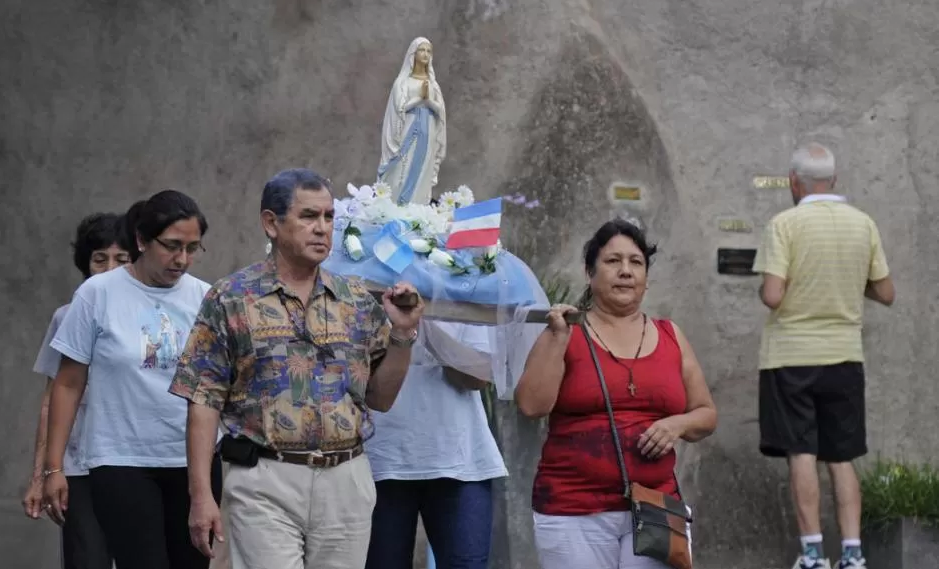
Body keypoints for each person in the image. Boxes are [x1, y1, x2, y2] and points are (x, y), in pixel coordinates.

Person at [168, 168, 425, 569]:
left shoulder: (355, 301)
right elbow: (203, 400)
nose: (322, 228)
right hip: (264, 478)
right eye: (308, 216)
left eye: (328, 217)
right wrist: (201, 496)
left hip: (346, 477)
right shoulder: (231, 298)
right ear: (271, 223)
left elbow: (381, 398)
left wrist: (404, 335)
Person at [515, 219, 717, 569]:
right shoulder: (565, 330)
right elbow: (531, 405)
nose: (625, 271)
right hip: (572, 508)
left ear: (646, 278)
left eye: (635, 262)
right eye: (613, 261)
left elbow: (706, 413)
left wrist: (677, 425)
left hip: (654, 507)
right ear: (589, 272)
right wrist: (559, 339)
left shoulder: (671, 335)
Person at [43, 190, 221, 569]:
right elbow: (68, 383)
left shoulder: (206, 297)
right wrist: (53, 466)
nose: (182, 259)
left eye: (192, 248)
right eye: (172, 246)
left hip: (193, 462)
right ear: (141, 240)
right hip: (120, 459)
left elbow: (216, 385)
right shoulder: (96, 294)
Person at [753, 143, 895, 569]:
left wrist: (779, 283)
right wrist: (850, 285)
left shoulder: (784, 224)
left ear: (795, 182)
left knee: (802, 453)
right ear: (834, 180)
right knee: (841, 456)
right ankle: (853, 554)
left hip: (791, 358)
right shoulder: (863, 224)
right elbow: (886, 292)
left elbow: (773, 295)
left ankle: (813, 553)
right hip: (845, 357)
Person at [22, 212, 127, 569]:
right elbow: (52, 400)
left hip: (138, 465)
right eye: (100, 259)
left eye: (122, 259)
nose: (110, 268)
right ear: (86, 264)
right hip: (80, 467)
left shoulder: (153, 317)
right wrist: (42, 475)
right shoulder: (66, 316)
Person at [364, 321, 507, 569]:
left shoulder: (463, 285)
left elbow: (476, 378)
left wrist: (422, 321)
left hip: (460, 461)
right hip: (380, 460)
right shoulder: (359, 287)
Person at [377, 36, 447, 205]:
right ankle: (396, 204)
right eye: (422, 50)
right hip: (407, 130)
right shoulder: (402, 82)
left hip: (428, 131)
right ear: (413, 54)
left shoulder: (433, 85)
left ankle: (417, 205)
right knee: (402, 167)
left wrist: (428, 101)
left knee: (423, 167)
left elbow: (440, 111)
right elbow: (399, 108)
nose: (425, 54)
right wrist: (419, 99)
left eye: (429, 51)